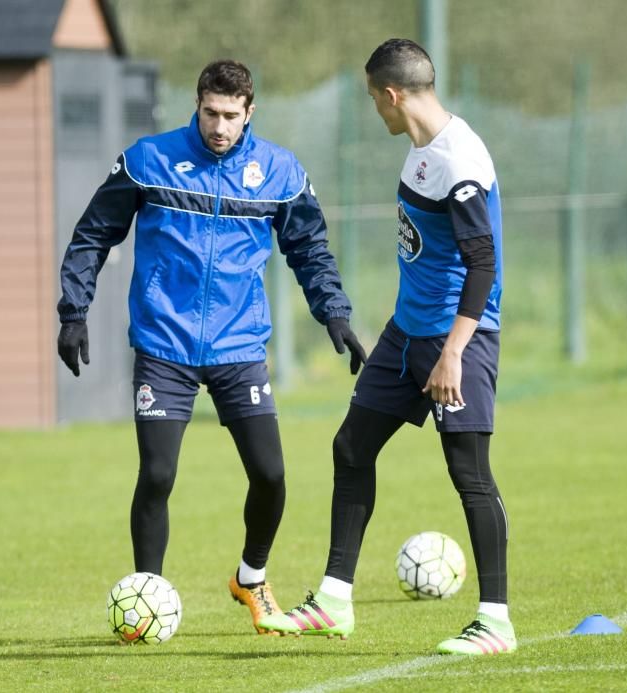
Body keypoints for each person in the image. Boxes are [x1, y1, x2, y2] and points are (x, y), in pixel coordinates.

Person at [57, 60, 366, 633]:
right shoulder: (149, 160)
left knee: (271, 475)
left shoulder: (279, 172)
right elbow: (93, 234)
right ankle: (146, 599)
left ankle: (251, 577)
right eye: (209, 113)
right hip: (163, 344)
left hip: (238, 346)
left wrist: (336, 315)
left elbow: (310, 252)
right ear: (196, 105)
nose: (218, 126)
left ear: (250, 112)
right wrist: (73, 311)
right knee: (157, 475)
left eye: (230, 115)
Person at [259, 39, 516, 655]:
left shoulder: (461, 161)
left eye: (375, 98)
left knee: (469, 474)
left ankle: (496, 621)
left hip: (459, 338)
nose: (375, 109)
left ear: (392, 94)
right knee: (351, 448)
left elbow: (483, 264)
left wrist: (454, 350)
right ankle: (332, 602)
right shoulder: (420, 151)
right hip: (405, 335)